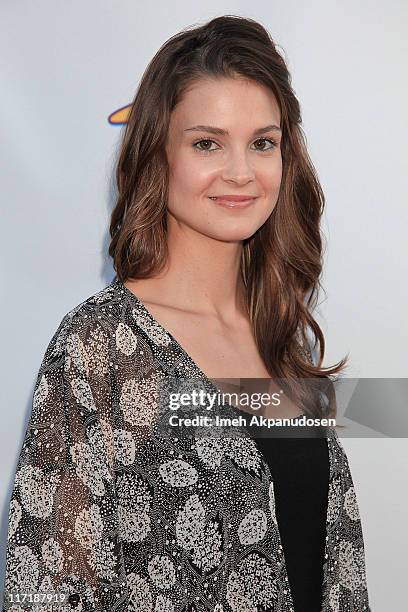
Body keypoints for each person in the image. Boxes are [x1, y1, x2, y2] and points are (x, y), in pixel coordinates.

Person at [3, 15, 370, 612]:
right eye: (207, 143)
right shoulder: (100, 346)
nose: (241, 172)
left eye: (262, 142)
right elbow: (46, 588)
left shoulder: (280, 339)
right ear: (157, 155)